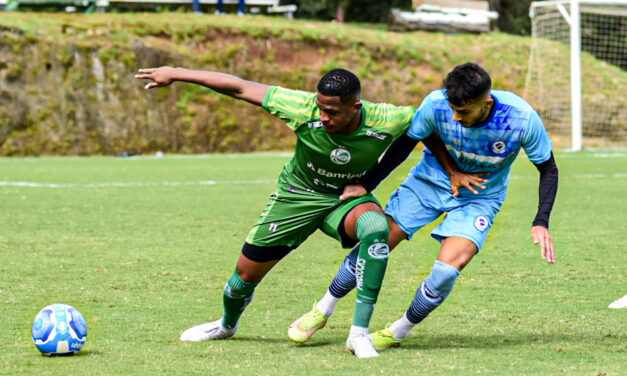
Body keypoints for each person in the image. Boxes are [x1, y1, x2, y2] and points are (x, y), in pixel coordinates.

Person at [134, 66, 462, 358]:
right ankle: (226, 324)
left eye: (332, 111)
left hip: (344, 199)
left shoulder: (387, 117)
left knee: (376, 226)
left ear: (355, 107)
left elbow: (425, 129)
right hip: (297, 197)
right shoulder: (300, 106)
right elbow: (238, 87)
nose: (323, 117)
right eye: (320, 109)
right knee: (243, 278)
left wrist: (450, 170)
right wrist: (176, 73)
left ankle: (358, 334)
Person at [288, 62, 559, 350]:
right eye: (452, 108)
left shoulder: (521, 119)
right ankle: (323, 309)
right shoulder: (436, 102)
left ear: (486, 103)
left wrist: (541, 220)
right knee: (377, 241)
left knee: (447, 271)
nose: (455, 117)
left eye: (464, 111)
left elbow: (549, 169)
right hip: (428, 183)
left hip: (480, 197)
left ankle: (398, 331)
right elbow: (406, 143)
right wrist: (368, 184)